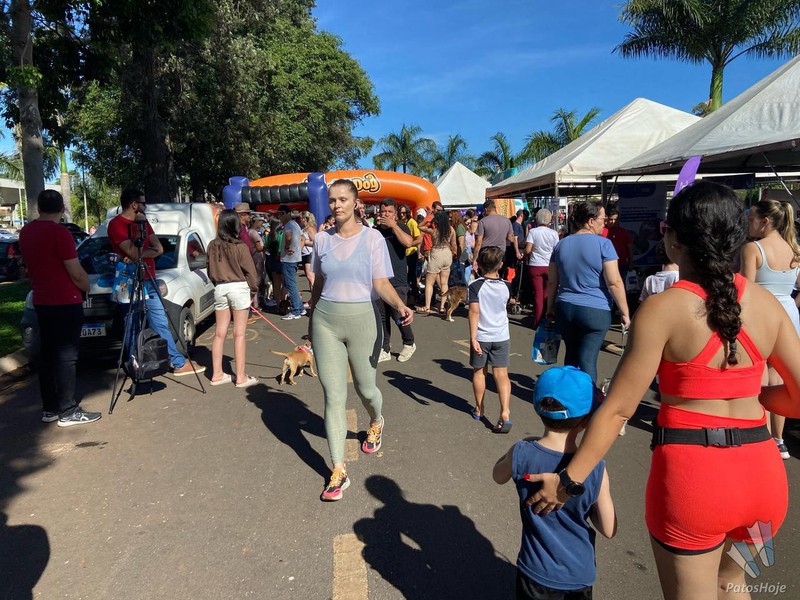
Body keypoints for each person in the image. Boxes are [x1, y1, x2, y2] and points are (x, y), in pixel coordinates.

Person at [527, 181, 800, 600]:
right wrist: (753, 399)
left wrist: (568, 481)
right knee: (733, 584)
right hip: (763, 480)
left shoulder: (663, 309)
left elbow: (618, 410)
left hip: (695, 484)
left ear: (673, 241)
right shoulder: (767, 304)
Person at [308, 179, 413, 502]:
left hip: (363, 322)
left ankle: (376, 420)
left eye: (343, 199)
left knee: (366, 389)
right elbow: (318, 283)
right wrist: (311, 320)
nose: (336, 205)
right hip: (325, 322)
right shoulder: (321, 240)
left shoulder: (372, 239)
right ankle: (338, 469)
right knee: (333, 396)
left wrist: (400, 306)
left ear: (356, 203)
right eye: (332, 200)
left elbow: (381, 283)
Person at [493, 366, 616, 599]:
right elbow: (608, 529)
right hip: (579, 573)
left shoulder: (522, 452)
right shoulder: (596, 468)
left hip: (535, 570)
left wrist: (517, 448)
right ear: (586, 421)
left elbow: (498, 476)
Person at [19, 190, 101, 426]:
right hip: (65, 300)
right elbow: (75, 271)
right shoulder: (60, 233)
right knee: (67, 356)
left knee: (48, 355)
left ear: (39, 208)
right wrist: (86, 287)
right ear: (62, 208)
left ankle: (50, 408)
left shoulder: (27, 232)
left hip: (42, 300)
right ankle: (68, 410)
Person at [107, 188, 199, 376]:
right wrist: (139, 246)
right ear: (134, 204)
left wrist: (139, 254)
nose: (146, 206)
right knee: (131, 323)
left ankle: (178, 362)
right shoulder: (116, 225)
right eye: (143, 203)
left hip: (149, 279)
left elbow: (158, 249)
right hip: (130, 281)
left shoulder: (144, 223)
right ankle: (134, 364)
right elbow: (133, 252)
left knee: (160, 321)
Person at [741, 198, 800, 460]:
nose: (748, 223)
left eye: (751, 218)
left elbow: (746, 291)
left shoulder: (753, 248)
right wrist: (791, 304)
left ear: (765, 221)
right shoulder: (794, 248)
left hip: (761, 315)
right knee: (780, 379)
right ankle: (779, 441)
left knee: (761, 379)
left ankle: (763, 439)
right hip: (788, 314)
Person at [547, 201, 630, 383]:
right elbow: (614, 282)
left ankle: (569, 394)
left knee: (571, 355)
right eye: (603, 219)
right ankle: (588, 397)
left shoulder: (561, 245)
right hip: (595, 308)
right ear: (591, 221)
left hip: (565, 307)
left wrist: (549, 307)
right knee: (588, 360)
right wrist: (624, 312)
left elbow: (552, 281)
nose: (605, 224)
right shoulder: (604, 245)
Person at [207, 209, 259, 388]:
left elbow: (210, 271)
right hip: (239, 288)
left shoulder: (212, 245)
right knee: (239, 334)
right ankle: (241, 377)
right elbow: (251, 272)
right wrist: (253, 290)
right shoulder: (240, 246)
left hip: (220, 287)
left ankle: (217, 374)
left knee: (219, 333)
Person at [469, 247, 514, 433]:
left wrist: (473, 337)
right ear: (501, 264)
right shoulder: (507, 286)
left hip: (482, 335)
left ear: (479, 264)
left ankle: (479, 408)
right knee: (502, 374)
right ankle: (505, 411)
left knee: (480, 372)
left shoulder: (475, 286)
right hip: (501, 334)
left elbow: (474, 312)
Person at [375, 198, 417, 363]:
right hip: (379, 280)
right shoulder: (375, 231)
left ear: (395, 214)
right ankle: (385, 348)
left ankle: (409, 343)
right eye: (383, 211)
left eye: (389, 212)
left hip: (398, 280)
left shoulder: (401, 227)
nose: (386, 214)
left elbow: (408, 243)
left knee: (398, 314)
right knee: (382, 316)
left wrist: (393, 226)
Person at [524, 209, 559, 329]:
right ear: (549, 220)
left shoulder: (533, 232)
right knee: (547, 293)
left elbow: (528, 250)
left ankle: (538, 321)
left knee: (538, 294)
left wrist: (525, 253)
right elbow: (556, 250)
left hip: (535, 265)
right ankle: (547, 317)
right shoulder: (554, 233)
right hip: (550, 265)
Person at [418, 209, 456, 314]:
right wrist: (454, 254)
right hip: (447, 253)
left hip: (436, 253)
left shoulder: (434, 230)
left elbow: (419, 226)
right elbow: (454, 244)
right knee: (444, 283)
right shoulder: (451, 230)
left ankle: (427, 306)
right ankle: (442, 307)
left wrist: (427, 220)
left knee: (429, 282)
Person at [472, 199, 521, 276]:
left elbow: (478, 242)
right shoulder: (506, 220)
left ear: (486, 209)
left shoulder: (483, 221)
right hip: (501, 253)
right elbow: (511, 239)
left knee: (486, 275)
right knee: (500, 275)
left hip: (487, 253)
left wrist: (474, 259)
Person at [278, 205, 305, 320]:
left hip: (288, 259)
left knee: (290, 285)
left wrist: (287, 247)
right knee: (291, 284)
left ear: (287, 213)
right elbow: (302, 238)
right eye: (279, 214)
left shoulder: (289, 225)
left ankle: (296, 311)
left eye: (281, 214)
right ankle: (300, 308)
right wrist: (298, 250)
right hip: (293, 258)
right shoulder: (295, 224)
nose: (280, 216)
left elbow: (288, 237)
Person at [398, 204, 423, 306]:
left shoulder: (412, 222)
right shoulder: (399, 222)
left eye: (404, 213)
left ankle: (413, 296)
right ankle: (407, 296)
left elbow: (419, 239)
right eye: (400, 213)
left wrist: (409, 245)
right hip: (402, 253)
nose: (402, 215)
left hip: (411, 252)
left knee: (411, 276)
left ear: (408, 213)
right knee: (405, 276)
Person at [605, 206, 634, 281]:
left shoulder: (624, 232)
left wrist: (631, 262)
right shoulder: (602, 232)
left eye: (615, 219)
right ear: (607, 219)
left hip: (622, 265)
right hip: (607, 264)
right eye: (611, 219)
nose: (613, 221)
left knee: (622, 283)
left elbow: (629, 248)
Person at [264, 217, 284, 307]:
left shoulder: (269, 235)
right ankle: (284, 302)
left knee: (276, 284)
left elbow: (266, 246)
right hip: (280, 259)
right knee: (284, 283)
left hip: (272, 259)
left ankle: (278, 303)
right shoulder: (281, 234)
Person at [248, 214, 266, 311]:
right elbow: (259, 248)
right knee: (256, 281)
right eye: (261, 221)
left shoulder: (248, 231)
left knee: (255, 282)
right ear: (256, 222)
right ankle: (253, 304)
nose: (262, 223)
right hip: (257, 258)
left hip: (253, 258)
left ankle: (255, 303)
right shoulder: (254, 233)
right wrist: (266, 247)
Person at [299, 211, 317, 294]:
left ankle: (316, 294)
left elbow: (315, 242)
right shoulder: (303, 229)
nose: (300, 220)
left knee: (310, 275)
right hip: (304, 253)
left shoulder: (310, 228)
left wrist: (304, 242)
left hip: (309, 253)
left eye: (301, 218)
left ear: (305, 219)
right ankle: (313, 296)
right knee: (308, 276)